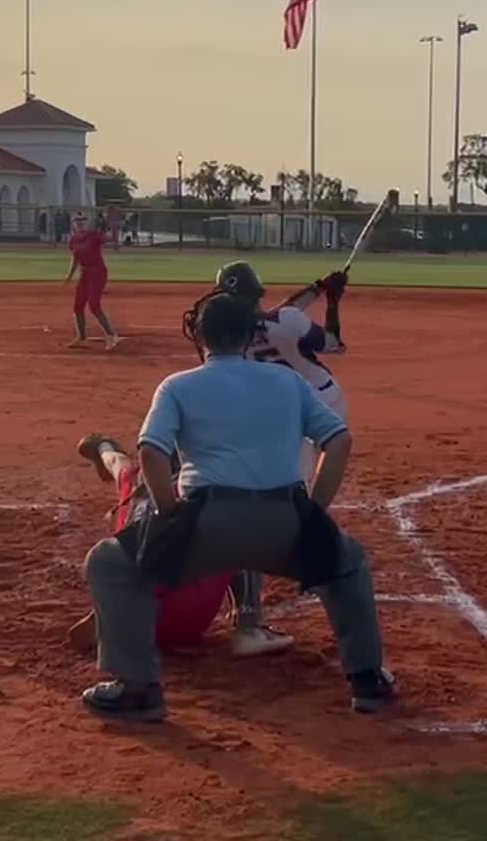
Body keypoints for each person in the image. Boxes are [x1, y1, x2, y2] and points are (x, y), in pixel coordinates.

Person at [80, 292, 394, 722]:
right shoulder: (287, 382)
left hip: (205, 525)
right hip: (286, 522)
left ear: (198, 335)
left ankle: (138, 689)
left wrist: (170, 515)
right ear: (249, 335)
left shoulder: (177, 385)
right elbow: (338, 441)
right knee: (348, 564)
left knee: (108, 563)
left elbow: (151, 453)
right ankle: (367, 682)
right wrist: (315, 511)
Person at [182, 260, 352, 657]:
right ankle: (303, 536)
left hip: (270, 412)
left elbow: (273, 315)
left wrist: (316, 288)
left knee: (258, 491)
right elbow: (330, 341)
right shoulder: (286, 321)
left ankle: (249, 610)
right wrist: (331, 301)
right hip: (321, 404)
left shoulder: (222, 336)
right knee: (287, 498)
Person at [65, 434, 234, 655]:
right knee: (237, 530)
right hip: (195, 622)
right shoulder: (215, 494)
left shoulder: (138, 485)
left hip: (137, 623)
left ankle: (103, 446)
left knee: (121, 471)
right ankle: (247, 619)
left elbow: (117, 463)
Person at [63, 213, 121, 350]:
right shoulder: (74, 239)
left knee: (94, 305)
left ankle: (112, 336)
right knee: (78, 306)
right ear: (73, 224)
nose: (80, 223)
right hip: (85, 274)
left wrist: (112, 227)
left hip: (98, 273)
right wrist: (69, 275)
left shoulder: (94, 235)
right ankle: (82, 339)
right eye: (77, 221)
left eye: (83, 220)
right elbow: (75, 258)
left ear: (87, 223)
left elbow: (110, 240)